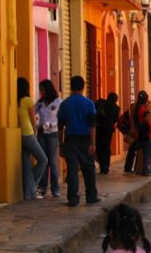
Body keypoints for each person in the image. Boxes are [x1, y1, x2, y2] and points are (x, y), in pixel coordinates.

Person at [58, 75, 99, 207]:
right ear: (83, 87)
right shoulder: (89, 103)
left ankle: (73, 198)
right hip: (85, 140)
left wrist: (61, 144)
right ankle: (91, 196)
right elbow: (92, 125)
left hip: (70, 141)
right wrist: (93, 143)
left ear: (71, 87)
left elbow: (60, 126)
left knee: (72, 170)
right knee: (89, 169)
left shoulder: (64, 104)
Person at [17, 77, 48, 201]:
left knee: (27, 164)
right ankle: (32, 187)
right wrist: (36, 131)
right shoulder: (28, 101)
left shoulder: (16, 101)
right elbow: (32, 118)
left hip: (19, 135)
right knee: (43, 160)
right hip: (28, 134)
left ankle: (29, 193)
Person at [35, 80, 62, 197]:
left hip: (52, 134)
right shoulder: (39, 103)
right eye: (40, 90)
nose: (41, 92)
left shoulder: (58, 102)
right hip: (41, 134)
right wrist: (37, 126)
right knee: (44, 161)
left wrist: (51, 125)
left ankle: (55, 188)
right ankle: (43, 187)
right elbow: (34, 115)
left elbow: (60, 119)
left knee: (53, 162)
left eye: (42, 89)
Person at [124, 91, 149, 174]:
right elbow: (147, 120)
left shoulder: (133, 106)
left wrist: (132, 128)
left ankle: (128, 167)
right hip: (142, 131)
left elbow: (131, 118)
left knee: (132, 149)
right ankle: (139, 168)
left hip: (135, 130)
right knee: (142, 150)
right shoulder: (144, 107)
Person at [95, 92, 120, 174]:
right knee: (106, 147)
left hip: (99, 128)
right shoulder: (116, 108)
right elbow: (115, 121)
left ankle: (101, 164)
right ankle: (105, 167)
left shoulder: (101, 103)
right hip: (108, 130)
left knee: (99, 146)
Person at [136, 109, 151, 176]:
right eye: (148, 116)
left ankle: (148, 170)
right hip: (146, 142)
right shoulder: (144, 124)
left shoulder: (147, 124)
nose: (149, 117)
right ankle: (146, 171)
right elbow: (145, 135)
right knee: (147, 157)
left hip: (148, 141)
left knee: (148, 157)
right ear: (144, 117)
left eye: (150, 116)